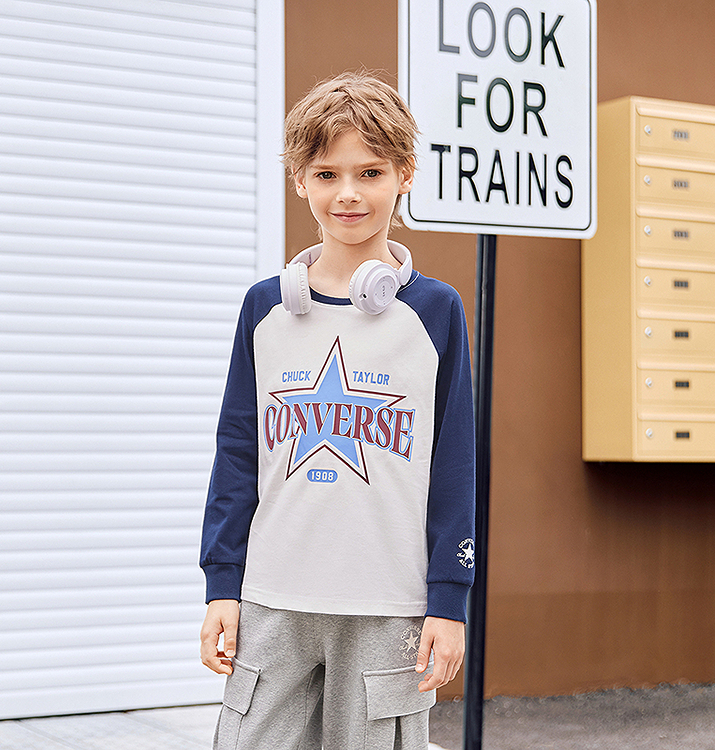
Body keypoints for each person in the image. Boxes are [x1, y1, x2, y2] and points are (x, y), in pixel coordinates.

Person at [199, 71, 476, 750]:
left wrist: (450, 600)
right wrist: (221, 585)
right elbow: (236, 455)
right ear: (300, 180)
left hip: (389, 609)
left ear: (405, 175)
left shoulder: (434, 312)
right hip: (272, 601)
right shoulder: (265, 309)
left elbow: (455, 467)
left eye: (370, 172)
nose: (348, 193)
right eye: (326, 174)